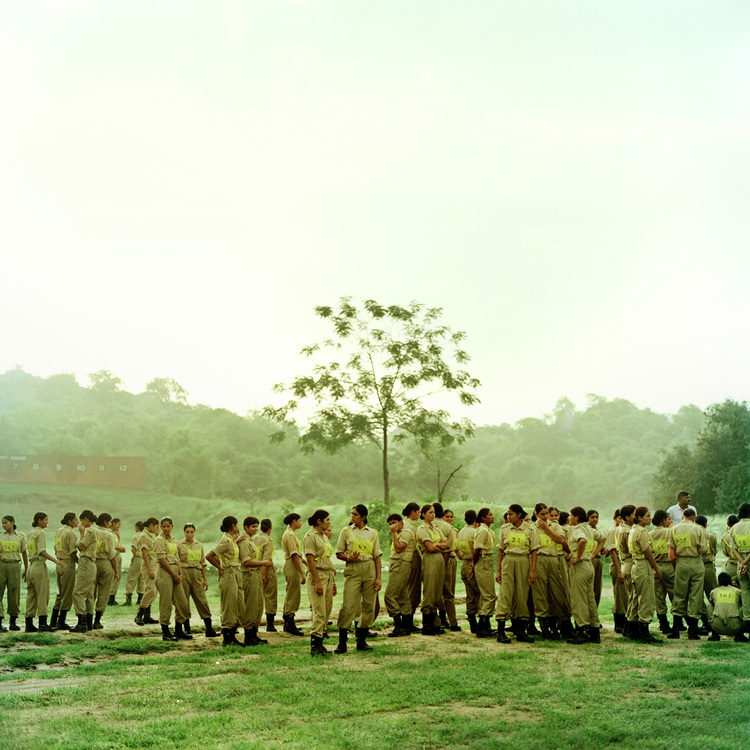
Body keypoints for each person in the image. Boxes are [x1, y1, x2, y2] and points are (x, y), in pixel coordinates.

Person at [334, 504, 382, 652]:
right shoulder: (346, 531)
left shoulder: (373, 533)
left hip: (369, 568)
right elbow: (338, 553)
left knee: (368, 605)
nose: (352, 517)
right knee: (348, 604)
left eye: (355, 514)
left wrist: (378, 578)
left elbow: (377, 557)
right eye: (351, 514)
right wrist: (350, 557)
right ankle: (342, 642)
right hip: (353, 569)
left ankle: (361, 640)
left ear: (363, 517)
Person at [494, 504, 539, 644]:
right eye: (508, 514)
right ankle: (500, 631)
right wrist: (499, 570)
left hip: (523, 561)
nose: (508, 517)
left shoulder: (530, 529)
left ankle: (521, 631)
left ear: (519, 515)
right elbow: (501, 550)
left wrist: (533, 570)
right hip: (508, 560)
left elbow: (534, 551)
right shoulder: (504, 529)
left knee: (522, 594)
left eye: (511, 514)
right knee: (505, 594)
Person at [667, 507, 708, 640]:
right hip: (696, 562)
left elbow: (671, 550)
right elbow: (703, 550)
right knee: (696, 595)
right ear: (693, 517)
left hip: (681, 563)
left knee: (679, 593)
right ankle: (693, 631)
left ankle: (676, 629)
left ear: (683, 516)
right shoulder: (698, 529)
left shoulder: (673, 529)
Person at [567, 506, 604, 644]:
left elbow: (581, 540)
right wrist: (593, 554)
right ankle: (594, 630)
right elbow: (602, 538)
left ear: (576, 517)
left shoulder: (578, 529)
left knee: (579, 599)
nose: (569, 518)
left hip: (580, 566)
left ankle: (582, 630)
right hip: (589, 565)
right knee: (590, 599)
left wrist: (577, 556)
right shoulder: (589, 529)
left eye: (571, 515)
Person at [25, 513, 66, 632]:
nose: (47, 522)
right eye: (46, 520)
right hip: (39, 565)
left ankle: (29, 623)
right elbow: (41, 551)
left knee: (31, 595)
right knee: (42, 594)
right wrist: (55, 561)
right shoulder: (41, 533)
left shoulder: (31, 533)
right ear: (39, 521)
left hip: (31, 566)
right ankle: (42, 624)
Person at [206, 516, 243, 647]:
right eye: (237, 524)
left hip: (235, 572)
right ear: (233, 525)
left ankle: (232, 634)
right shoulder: (225, 541)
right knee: (229, 605)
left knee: (238, 604)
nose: (238, 526)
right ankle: (228, 638)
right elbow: (210, 556)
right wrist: (220, 567)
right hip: (228, 573)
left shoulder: (231, 540)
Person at [532, 503, 567, 640]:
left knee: (556, 591)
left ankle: (555, 624)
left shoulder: (555, 526)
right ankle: (544, 627)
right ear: (536, 514)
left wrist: (546, 528)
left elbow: (560, 539)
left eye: (547, 514)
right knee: (540, 593)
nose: (546, 517)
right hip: (539, 559)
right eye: (543, 514)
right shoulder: (531, 528)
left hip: (553, 559)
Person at [628, 506, 662, 643]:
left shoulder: (633, 530)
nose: (650, 518)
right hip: (643, 565)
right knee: (646, 598)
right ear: (640, 518)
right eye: (647, 516)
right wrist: (657, 569)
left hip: (636, 565)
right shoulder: (641, 532)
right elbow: (647, 553)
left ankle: (633, 630)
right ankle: (644, 631)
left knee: (636, 597)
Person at [238, 516, 274, 646]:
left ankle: (254, 634)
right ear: (246, 528)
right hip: (249, 575)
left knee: (259, 605)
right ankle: (249, 636)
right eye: (252, 526)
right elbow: (246, 562)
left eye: (256, 526)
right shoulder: (243, 542)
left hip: (256, 574)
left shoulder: (251, 541)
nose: (255, 528)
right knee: (251, 606)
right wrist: (263, 562)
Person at [414, 504, 449, 637]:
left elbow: (447, 544)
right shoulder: (422, 529)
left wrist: (438, 545)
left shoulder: (436, 528)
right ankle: (427, 624)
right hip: (430, 560)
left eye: (434, 512)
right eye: (430, 512)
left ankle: (435, 623)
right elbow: (430, 548)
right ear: (423, 514)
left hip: (439, 559)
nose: (433, 515)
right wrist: (439, 545)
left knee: (437, 590)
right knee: (429, 589)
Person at [178, 523, 218, 637]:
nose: (189, 534)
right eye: (187, 532)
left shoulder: (199, 545)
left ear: (194, 532)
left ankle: (209, 629)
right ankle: (186, 629)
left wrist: (204, 580)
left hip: (196, 574)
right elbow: (177, 561)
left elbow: (202, 563)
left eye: (192, 532)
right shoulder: (179, 545)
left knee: (202, 600)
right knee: (184, 601)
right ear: (184, 532)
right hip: (184, 573)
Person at [304, 509, 335, 656]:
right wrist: (317, 581)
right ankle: (315, 647)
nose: (329, 522)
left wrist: (332, 581)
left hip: (327, 574)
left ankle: (320, 644)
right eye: (327, 520)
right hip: (318, 575)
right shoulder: (310, 537)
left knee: (327, 610)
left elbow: (327, 558)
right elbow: (310, 560)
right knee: (319, 612)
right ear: (319, 521)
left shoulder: (323, 536)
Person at [383, 513, 415, 637]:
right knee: (402, 596)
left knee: (389, 596)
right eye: (390, 524)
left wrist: (393, 533)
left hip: (401, 564)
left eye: (395, 522)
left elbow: (398, 548)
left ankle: (399, 625)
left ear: (401, 523)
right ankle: (406, 626)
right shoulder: (400, 533)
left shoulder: (405, 533)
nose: (393, 526)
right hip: (397, 564)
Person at [433, 503, 460, 632]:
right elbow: (449, 548)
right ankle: (453, 622)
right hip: (447, 560)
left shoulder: (428, 526)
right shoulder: (448, 527)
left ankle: (437, 621)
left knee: (434, 591)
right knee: (448, 592)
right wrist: (443, 565)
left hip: (431, 560)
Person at [71, 510, 99, 632]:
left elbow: (81, 545)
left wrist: (81, 534)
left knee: (78, 593)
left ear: (85, 519)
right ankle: (88, 621)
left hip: (86, 561)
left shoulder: (90, 530)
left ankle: (81, 621)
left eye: (82, 520)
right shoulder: (97, 530)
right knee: (88, 594)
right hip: (91, 562)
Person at [471, 507, 497, 638]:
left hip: (487, 559)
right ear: (483, 517)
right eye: (490, 515)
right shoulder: (482, 531)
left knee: (485, 594)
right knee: (489, 595)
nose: (492, 517)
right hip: (483, 559)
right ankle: (482, 624)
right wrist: (473, 564)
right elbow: (476, 549)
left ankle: (485, 625)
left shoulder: (487, 530)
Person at [51, 512, 78, 630]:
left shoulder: (59, 531)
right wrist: (80, 563)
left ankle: (53, 620)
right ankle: (61, 621)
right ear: (70, 521)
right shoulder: (71, 533)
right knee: (67, 593)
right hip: (68, 563)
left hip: (59, 563)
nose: (77, 522)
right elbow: (73, 552)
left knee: (61, 592)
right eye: (76, 520)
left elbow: (55, 547)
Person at [0, 515, 27, 632]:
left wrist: (27, 568)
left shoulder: (20, 536)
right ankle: (0, 621)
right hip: (2, 564)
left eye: (5, 523)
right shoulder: (0, 536)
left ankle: (13, 621)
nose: (3, 525)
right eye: (2, 523)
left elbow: (24, 553)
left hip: (15, 565)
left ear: (12, 522)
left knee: (14, 592)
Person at [650, 509, 675, 634]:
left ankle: (663, 624)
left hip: (655, 567)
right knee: (674, 595)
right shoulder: (669, 532)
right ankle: (677, 623)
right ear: (663, 520)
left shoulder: (650, 534)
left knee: (659, 596)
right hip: (669, 566)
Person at [281, 513, 306, 636]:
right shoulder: (290, 535)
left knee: (290, 592)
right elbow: (294, 555)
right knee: (293, 594)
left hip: (293, 563)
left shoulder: (291, 534)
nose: (301, 523)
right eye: (299, 521)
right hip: (292, 565)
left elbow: (297, 554)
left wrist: (305, 562)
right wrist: (302, 574)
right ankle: (290, 621)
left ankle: (287, 621)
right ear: (294, 521)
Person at [92, 513, 118, 629]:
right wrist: (116, 571)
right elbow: (112, 554)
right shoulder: (109, 535)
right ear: (105, 522)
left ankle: (87, 616)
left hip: (92, 562)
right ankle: (97, 620)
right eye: (109, 522)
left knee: (90, 591)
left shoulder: (92, 531)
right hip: (105, 563)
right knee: (104, 592)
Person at [134, 518, 160, 627]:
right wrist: (149, 569)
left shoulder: (150, 536)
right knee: (150, 590)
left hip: (153, 564)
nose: (157, 529)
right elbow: (144, 553)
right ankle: (139, 614)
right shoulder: (144, 536)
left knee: (153, 591)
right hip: (148, 564)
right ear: (151, 525)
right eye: (156, 527)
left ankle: (147, 615)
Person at [615, 505, 637, 638]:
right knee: (634, 596)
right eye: (634, 514)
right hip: (630, 562)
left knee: (631, 596)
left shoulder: (619, 528)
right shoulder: (628, 531)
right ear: (628, 517)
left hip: (624, 563)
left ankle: (628, 627)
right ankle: (630, 626)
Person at [707, 572, 747, 642]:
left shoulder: (714, 591)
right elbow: (744, 602)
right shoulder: (737, 591)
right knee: (745, 607)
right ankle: (740, 635)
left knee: (710, 606)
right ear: (730, 581)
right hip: (735, 627)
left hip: (717, 627)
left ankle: (714, 635)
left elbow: (712, 603)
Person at [401, 502, 422, 633]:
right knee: (413, 590)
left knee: (410, 589)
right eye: (418, 512)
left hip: (408, 557)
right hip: (411, 556)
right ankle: (407, 621)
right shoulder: (409, 526)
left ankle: (407, 621)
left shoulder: (405, 523)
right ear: (413, 512)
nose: (419, 515)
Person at [730, 502, 750, 637]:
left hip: (740, 562)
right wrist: (746, 562)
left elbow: (733, 549)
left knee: (745, 592)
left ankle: (747, 621)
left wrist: (742, 563)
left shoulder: (734, 528)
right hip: (747, 560)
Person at [458, 510, 480, 633]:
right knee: (479, 593)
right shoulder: (475, 532)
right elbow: (476, 550)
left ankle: (472, 622)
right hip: (473, 563)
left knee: (470, 594)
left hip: (464, 563)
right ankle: (482, 623)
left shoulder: (461, 531)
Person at [255, 519, 278, 633]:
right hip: (266, 570)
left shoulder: (253, 539)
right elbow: (266, 559)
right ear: (270, 528)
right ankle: (270, 624)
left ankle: (254, 623)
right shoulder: (268, 541)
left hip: (254, 568)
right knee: (270, 596)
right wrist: (264, 576)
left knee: (256, 597)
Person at [606, 509, 627, 633]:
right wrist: (619, 571)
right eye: (619, 519)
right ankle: (619, 623)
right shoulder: (613, 531)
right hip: (617, 564)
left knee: (626, 595)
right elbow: (613, 552)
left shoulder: (625, 530)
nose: (621, 521)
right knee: (620, 596)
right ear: (615, 519)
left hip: (625, 564)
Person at [696, 515, 717, 634]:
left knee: (698, 595)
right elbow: (714, 550)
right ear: (705, 524)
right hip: (708, 566)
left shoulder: (694, 534)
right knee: (712, 594)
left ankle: (705, 621)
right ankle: (715, 618)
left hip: (697, 564)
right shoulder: (711, 536)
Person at [123, 521, 146, 607]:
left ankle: (128, 600)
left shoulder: (136, 536)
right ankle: (140, 599)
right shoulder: (145, 536)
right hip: (144, 559)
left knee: (131, 578)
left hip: (137, 558)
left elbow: (133, 549)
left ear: (136, 527)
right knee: (142, 579)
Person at [587, 510, 604, 607]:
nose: (595, 519)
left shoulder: (598, 531)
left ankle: (595, 612)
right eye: (592, 517)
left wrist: (603, 549)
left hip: (598, 559)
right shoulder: (587, 530)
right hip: (590, 559)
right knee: (590, 588)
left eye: (596, 517)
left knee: (597, 588)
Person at [107, 517, 126, 606]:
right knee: (112, 576)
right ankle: (109, 598)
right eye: (118, 524)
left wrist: (119, 538)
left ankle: (112, 597)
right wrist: (119, 548)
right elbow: (111, 547)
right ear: (113, 523)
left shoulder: (115, 534)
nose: (119, 526)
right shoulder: (108, 533)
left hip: (118, 556)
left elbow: (122, 547)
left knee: (118, 575)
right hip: (112, 556)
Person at [721, 515, 739, 584]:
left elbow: (725, 553)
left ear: (728, 524)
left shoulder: (725, 536)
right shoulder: (741, 532)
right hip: (745, 563)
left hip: (731, 565)